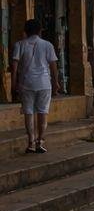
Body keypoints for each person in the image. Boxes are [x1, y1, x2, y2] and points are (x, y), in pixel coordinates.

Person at [10, 19, 61, 154]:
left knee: (28, 112)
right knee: (43, 112)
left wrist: (13, 83)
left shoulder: (19, 45)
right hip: (44, 83)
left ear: (25, 31)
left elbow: (14, 67)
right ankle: (40, 141)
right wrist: (55, 82)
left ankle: (31, 142)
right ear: (40, 31)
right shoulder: (47, 45)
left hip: (26, 83)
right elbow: (53, 66)